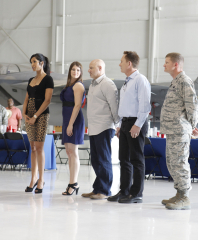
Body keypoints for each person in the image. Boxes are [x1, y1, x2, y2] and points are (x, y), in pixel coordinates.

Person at [107, 51, 151, 204]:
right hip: (125, 123)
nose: (119, 64)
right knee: (124, 159)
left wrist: (137, 125)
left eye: (121, 61)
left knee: (136, 159)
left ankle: (136, 193)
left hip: (135, 122)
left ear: (129, 63)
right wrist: (120, 125)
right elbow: (124, 106)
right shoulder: (128, 81)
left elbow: (145, 106)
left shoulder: (140, 80)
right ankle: (124, 191)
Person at [160, 52, 198, 210]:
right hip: (172, 130)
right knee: (172, 162)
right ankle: (179, 193)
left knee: (180, 162)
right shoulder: (175, 81)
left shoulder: (184, 80)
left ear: (176, 65)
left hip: (180, 130)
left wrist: (191, 125)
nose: (164, 65)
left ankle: (184, 197)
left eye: (167, 62)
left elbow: (192, 105)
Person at [81, 59, 120, 200]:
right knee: (96, 161)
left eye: (91, 68)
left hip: (104, 127)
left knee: (103, 160)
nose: (88, 70)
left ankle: (104, 191)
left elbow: (114, 106)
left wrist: (118, 125)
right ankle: (97, 188)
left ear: (100, 68)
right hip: (94, 128)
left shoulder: (107, 84)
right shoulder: (93, 85)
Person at [23, 53, 54, 194]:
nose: (32, 64)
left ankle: (41, 179)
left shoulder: (48, 79)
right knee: (33, 147)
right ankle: (33, 178)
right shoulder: (31, 80)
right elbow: (26, 99)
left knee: (39, 147)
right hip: (29, 116)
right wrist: (24, 113)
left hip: (41, 115)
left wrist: (35, 115)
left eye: (35, 61)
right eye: (31, 62)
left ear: (42, 63)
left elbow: (47, 100)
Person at [60, 61, 85, 196]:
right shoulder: (69, 85)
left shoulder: (78, 85)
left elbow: (77, 106)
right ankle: (72, 182)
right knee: (69, 152)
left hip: (74, 120)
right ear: (70, 71)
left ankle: (73, 183)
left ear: (81, 73)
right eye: (73, 69)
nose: (75, 72)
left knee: (73, 152)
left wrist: (70, 124)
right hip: (67, 119)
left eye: (78, 70)